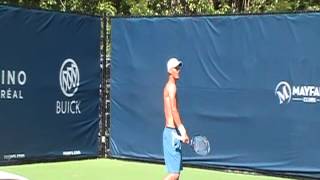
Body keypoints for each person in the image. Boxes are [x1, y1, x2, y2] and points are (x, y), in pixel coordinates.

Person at [163, 57, 190, 180]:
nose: (178, 70)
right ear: (170, 71)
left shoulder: (170, 86)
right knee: (174, 174)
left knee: (176, 175)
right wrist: (183, 131)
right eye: (176, 68)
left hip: (172, 133)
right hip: (172, 133)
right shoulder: (171, 87)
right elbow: (174, 109)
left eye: (179, 68)